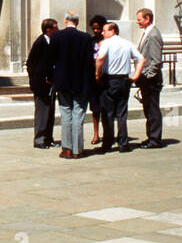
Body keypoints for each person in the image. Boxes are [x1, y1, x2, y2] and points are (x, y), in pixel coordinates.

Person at [95, 21, 144, 153]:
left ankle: (107, 142)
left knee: (107, 113)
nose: (102, 32)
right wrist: (135, 75)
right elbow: (141, 59)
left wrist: (97, 74)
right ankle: (123, 143)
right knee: (121, 113)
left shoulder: (106, 43)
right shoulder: (127, 43)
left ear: (112, 30)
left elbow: (100, 58)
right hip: (124, 80)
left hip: (110, 80)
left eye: (104, 30)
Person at [49, 11, 93, 158]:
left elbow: (51, 60)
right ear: (77, 22)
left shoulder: (56, 36)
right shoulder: (86, 38)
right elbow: (89, 63)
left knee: (66, 114)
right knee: (78, 115)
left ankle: (67, 148)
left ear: (65, 21)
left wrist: (51, 77)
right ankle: (77, 150)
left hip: (62, 82)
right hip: (81, 82)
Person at [26, 18, 58, 149]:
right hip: (41, 84)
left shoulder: (51, 42)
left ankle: (48, 138)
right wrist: (37, 80)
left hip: (50, 82)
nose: (58, 30)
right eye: (55, 28)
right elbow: (31, 64)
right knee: (42, 111)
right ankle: (39, 139)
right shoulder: (40, 42)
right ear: (48, 29)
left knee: (50, 111)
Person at [136, 8, 165, 148]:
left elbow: (156, 60)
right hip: (145, 79)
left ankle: (154, 139)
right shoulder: (147, 33)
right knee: (148, 109)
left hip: (151, 81)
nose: (137, 22)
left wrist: (147, 76)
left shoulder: (153, 35)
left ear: (147, 19)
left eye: (139, 19)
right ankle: (151, 137)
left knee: (152, 109)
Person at [88, 15, 107, 145]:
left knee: (106, 108)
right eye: (93, 28)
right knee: (95, 109)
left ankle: (107, 133)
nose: (96, 31)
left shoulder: (108, 41)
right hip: (93, 79)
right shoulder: (91, 41)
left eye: (98, 28)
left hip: (105, 77)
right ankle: (96, 134)